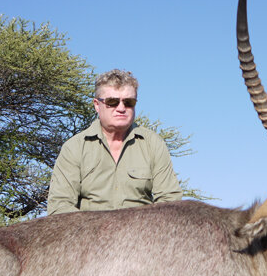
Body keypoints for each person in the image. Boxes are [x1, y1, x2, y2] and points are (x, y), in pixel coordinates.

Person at [47, 69, 182, 214]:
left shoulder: (153, 143)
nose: (121, 108)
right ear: (97, 105)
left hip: (142, 232)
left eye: (129, 102)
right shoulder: (74, 147)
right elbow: (59, 206)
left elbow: (170, 201)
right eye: (112, 102)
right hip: (88, 233)